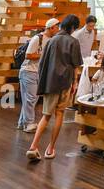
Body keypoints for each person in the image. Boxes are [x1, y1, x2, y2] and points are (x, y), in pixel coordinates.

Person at [27, 15, 83, 161]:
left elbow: (42, 64)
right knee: (59, 114)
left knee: (46, 115)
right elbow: (76, 65)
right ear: (72, 27)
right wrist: (74, 83)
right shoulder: (73, 42)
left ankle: (33, 147)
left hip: (50, 83)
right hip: (65, 83)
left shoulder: (51, 41)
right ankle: (50, 148)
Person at [19, 18, 59, 132]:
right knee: (31, 99)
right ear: (51, 28)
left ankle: (22, 122)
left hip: (37, 72)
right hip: (28, 71)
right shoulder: (38, 38)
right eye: (56, 27)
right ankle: (29, 123)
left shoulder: (51, 40)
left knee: (31, 99)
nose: (58, 30)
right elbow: (28, 55)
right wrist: (44, 55)